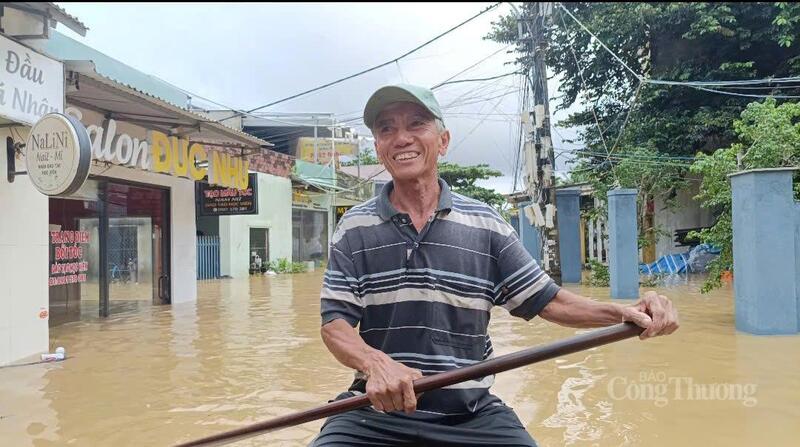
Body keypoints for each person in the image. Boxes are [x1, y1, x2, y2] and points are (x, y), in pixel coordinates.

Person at [312, 84, 679, 446]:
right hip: (372, 414)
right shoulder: (354, 228)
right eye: (386, 129)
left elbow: (548, 300)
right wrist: (375, 363)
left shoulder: (486, 224)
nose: (401, 138)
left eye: (416, 124)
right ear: (378, 148)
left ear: (442, 140)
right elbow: (336, 325)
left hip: (470, 414)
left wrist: (624, 312)